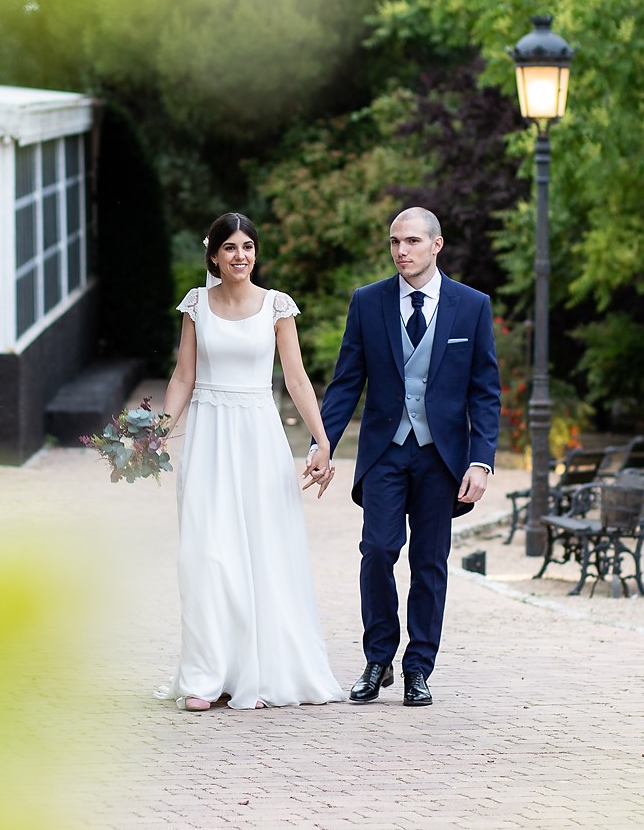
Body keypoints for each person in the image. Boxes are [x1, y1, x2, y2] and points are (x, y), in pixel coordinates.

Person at [315, 207, 500, 708]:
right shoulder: (367, 301)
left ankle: (419, 667)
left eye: (413, 241)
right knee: (377, 551)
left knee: (429, 562)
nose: (402, 251)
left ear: (436, 245)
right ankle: (378, 659)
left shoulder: (472, 305)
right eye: (396, 241)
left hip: (442, 458)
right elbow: (347, 382)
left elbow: (485, 391)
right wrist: (322, 443)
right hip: (385, 451)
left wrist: (481, 461)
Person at [160, 213, 345, 711]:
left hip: (259, 437)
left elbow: (297, 379)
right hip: (208, 437)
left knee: (263, 551)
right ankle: (205, 676)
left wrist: (322, 441)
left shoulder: (277, 306)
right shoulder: (196, 305)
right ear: (214, 256)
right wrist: (156, 433)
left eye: (247, 247)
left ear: (255, 253)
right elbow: (183, 377)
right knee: (206, 553)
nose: (239, 256)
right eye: (229, 248)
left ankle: (257, 673)